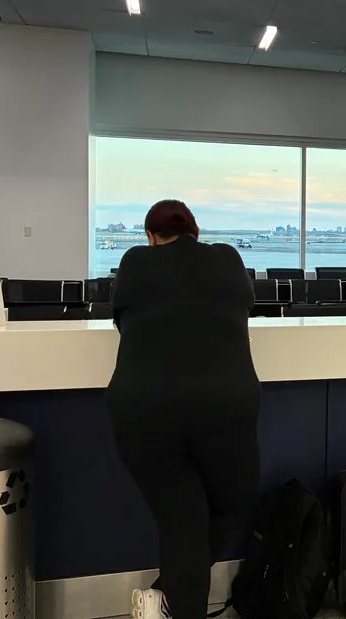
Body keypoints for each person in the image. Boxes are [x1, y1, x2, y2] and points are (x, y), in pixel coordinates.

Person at [107, 200, 261, 619]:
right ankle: (163, 599)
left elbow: (123, 321)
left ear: (151, 236)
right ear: (196, 230)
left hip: (145, 412)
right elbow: (241, 308)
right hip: (224, 409)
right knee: (229, 508)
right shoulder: (228, 258)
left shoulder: (135, 262)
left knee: (183, 523)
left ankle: (164, 598)